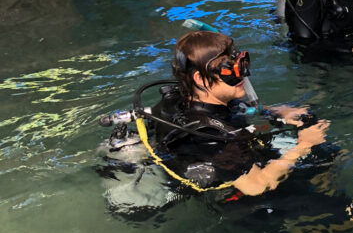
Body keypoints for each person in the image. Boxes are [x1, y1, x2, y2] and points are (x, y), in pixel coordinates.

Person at [100, 31, 330, 200]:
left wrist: (274, 110)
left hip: (228, 162)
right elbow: (257, 186)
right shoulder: (212, 136)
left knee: (320, 146)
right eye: (228, 70)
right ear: (200, 79)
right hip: (239, 199)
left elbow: (233, 109)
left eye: (237, 63)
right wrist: (304, 145)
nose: (242, 73)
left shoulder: (179, 98)